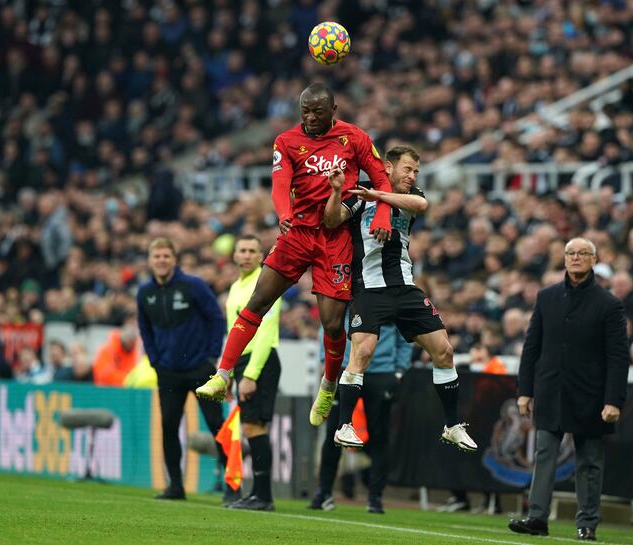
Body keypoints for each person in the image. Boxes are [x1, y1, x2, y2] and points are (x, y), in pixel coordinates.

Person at [197, 82, 393, 432]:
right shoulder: (286, 142)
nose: (311, 117)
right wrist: (283, 212)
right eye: (305, 111)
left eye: (318, 111)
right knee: (258, 301)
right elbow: (279, 182)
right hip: (297, 232)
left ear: (333, 110)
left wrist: (381, 215)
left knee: (333, 324)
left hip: (336, 238)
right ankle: (222, 374)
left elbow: (381, 178)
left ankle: (329, 385)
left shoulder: (356, 138)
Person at [321, 144, 477, 453]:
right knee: (362, 353)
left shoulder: (403, 196)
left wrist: (378, 196)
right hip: (370, 287)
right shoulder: (360, 193)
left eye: (416, 171)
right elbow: (331, 220)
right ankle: (344, 425)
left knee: (444, 351)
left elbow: (421, 205)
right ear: (388, 168)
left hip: (405, 287)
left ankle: (452, 426)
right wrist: (337, 191)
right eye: (407, 169)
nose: (412, 175)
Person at [509, 237, 629, 541]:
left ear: (594, 259)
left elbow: (618, 357)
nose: (575, 258)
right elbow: (531, 346)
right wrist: (525, 390)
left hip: (591, 396)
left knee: (589, 462)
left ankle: (587, 523)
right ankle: (537, 517)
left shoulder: (609, 304)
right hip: (550, 390)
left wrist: (613, 400)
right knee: (544, 453)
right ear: (563, 259)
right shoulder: (546, 297)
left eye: (582, 253)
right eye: (570, 253)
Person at [137, 237, 227, 501]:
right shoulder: (145, 293)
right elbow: (144, 329)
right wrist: (155, 360)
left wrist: (210, 356)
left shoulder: (193, 286)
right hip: (168, 371)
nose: (161, 261)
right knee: (168, 426)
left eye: (166, 256)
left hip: (199, 368)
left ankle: (232, 485)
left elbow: (215, 319)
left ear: (174, 259)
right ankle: (175, 486)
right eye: (157, 256)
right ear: (150, 260)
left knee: (216, 425)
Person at [308, 321, 411, 514]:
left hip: (381, 373)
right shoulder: (347, 293)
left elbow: (405, 336)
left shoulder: (390, 297)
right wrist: (326, 360)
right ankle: (324, 491)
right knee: (333, 433)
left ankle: (375, 497)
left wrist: (399, 370)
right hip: (346, 368)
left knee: (379, 435)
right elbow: (328, 324)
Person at [223, 235, 282, 512]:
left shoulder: (267, 281)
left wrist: (251, 374)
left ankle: (264, 496)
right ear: (234, 255)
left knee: (255, 426)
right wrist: (228, 371)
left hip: (261, 359)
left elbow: (266, 332)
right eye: (242, 250)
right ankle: (258, 494)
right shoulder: (236, 287)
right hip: (243, 362)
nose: (246, 255)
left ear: (261, 256)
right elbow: (233, 332)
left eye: (251, 251)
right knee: (249, 427)